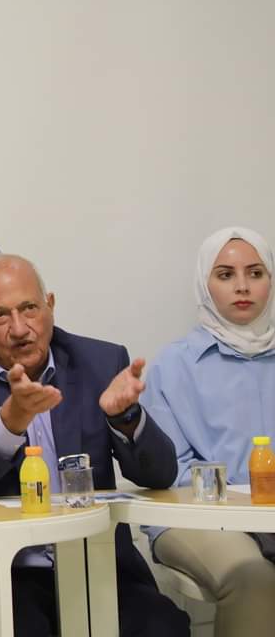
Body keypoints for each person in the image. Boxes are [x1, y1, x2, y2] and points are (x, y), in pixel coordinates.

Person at [0, 253, 189, 637]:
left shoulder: (101, 361)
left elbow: (160, 475)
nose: (19, 328)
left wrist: (125, 417)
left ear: (50, 305)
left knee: (163, 628)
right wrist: (11, 421)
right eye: (0, 315)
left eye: (29, 308)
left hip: (94, 564)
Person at [140, 226, 275, 636]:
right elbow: (170, 471)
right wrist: (244, 498)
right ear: (204, 284)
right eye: (225, 274)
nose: (242, 287)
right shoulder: (175, 365)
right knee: (251, 576)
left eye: (255, 273)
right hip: (196, 516)